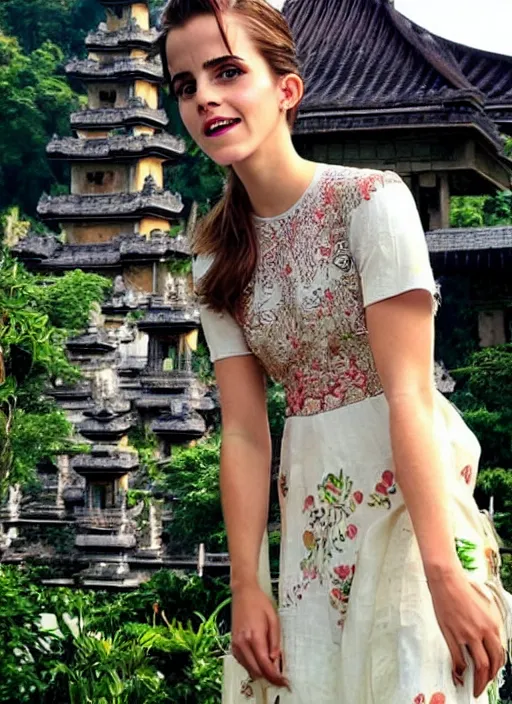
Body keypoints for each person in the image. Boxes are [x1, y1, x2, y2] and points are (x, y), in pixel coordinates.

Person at [158, 1, 511, 701]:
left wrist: (443, 575)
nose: (206, 97)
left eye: (228, 72)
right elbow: (244, 434)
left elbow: (408, 392)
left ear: (286, 89)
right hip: (315, 515)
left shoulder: (371, 202)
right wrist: (249, 583)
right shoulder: (215, 264)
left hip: (416, 513)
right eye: (186, 84)